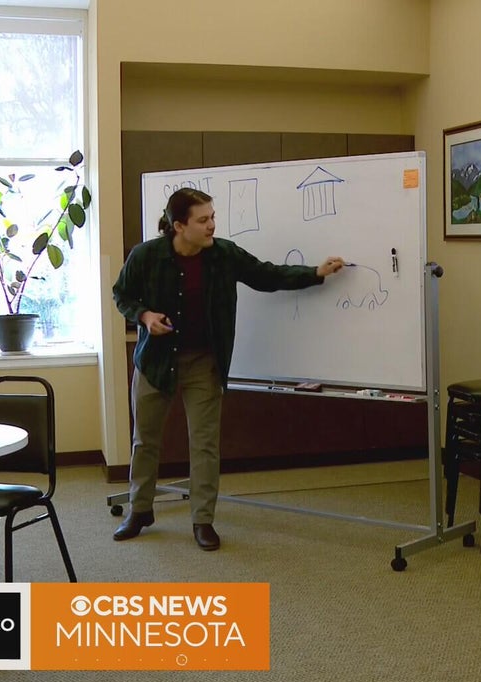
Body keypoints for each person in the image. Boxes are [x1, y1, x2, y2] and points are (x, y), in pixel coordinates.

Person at [111, 188, 346, 550]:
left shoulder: (224, 254)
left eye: (213, 217)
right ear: (179, 226)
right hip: (155, 361)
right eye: (203, 220)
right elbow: (122, 294)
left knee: (205, 444)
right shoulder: (146, 255)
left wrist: (316, 272)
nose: (212, 226)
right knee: (145, 441)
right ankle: (140, 510)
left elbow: (266, 275)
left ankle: (202, 520)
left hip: (204, 361)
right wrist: (144, 316)